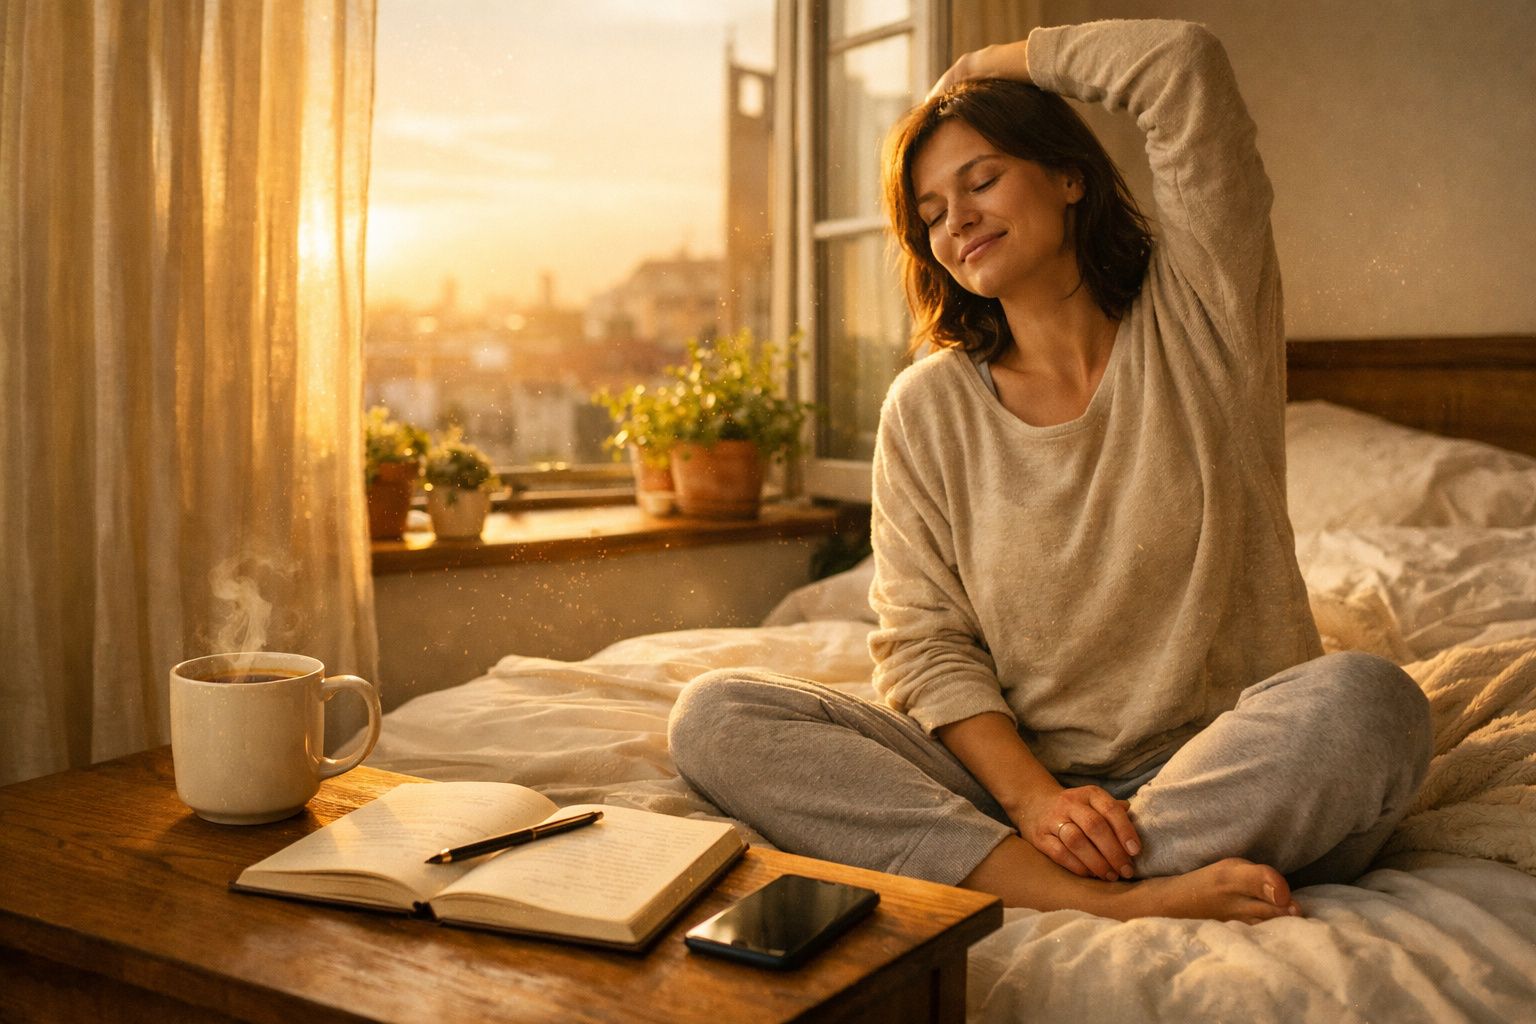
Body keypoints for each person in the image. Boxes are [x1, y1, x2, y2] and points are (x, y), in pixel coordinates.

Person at [669, 19, 1431, 923]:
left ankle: (1038, 876)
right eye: (931, 212)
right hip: (1019, 788)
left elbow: (1180, 66)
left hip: (1219, 765)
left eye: (981, 179)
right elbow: (925, 645)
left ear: (1069, 177)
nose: (958, 220)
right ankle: (1103, 896)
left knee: (1369, 702)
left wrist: (986, 67)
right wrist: (1034, 801)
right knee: (716, 713)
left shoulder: (1202, 321)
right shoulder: (928, 409)